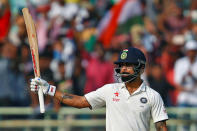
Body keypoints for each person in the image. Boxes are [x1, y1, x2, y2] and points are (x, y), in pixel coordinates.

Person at [30, 47, 168, 131]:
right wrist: (49, 89)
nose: (124, 69)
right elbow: (80, 102)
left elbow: (161, 127)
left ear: (141, 68)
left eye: (129, 65)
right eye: (122, 65)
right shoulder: (110, 90)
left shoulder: (153, 96)